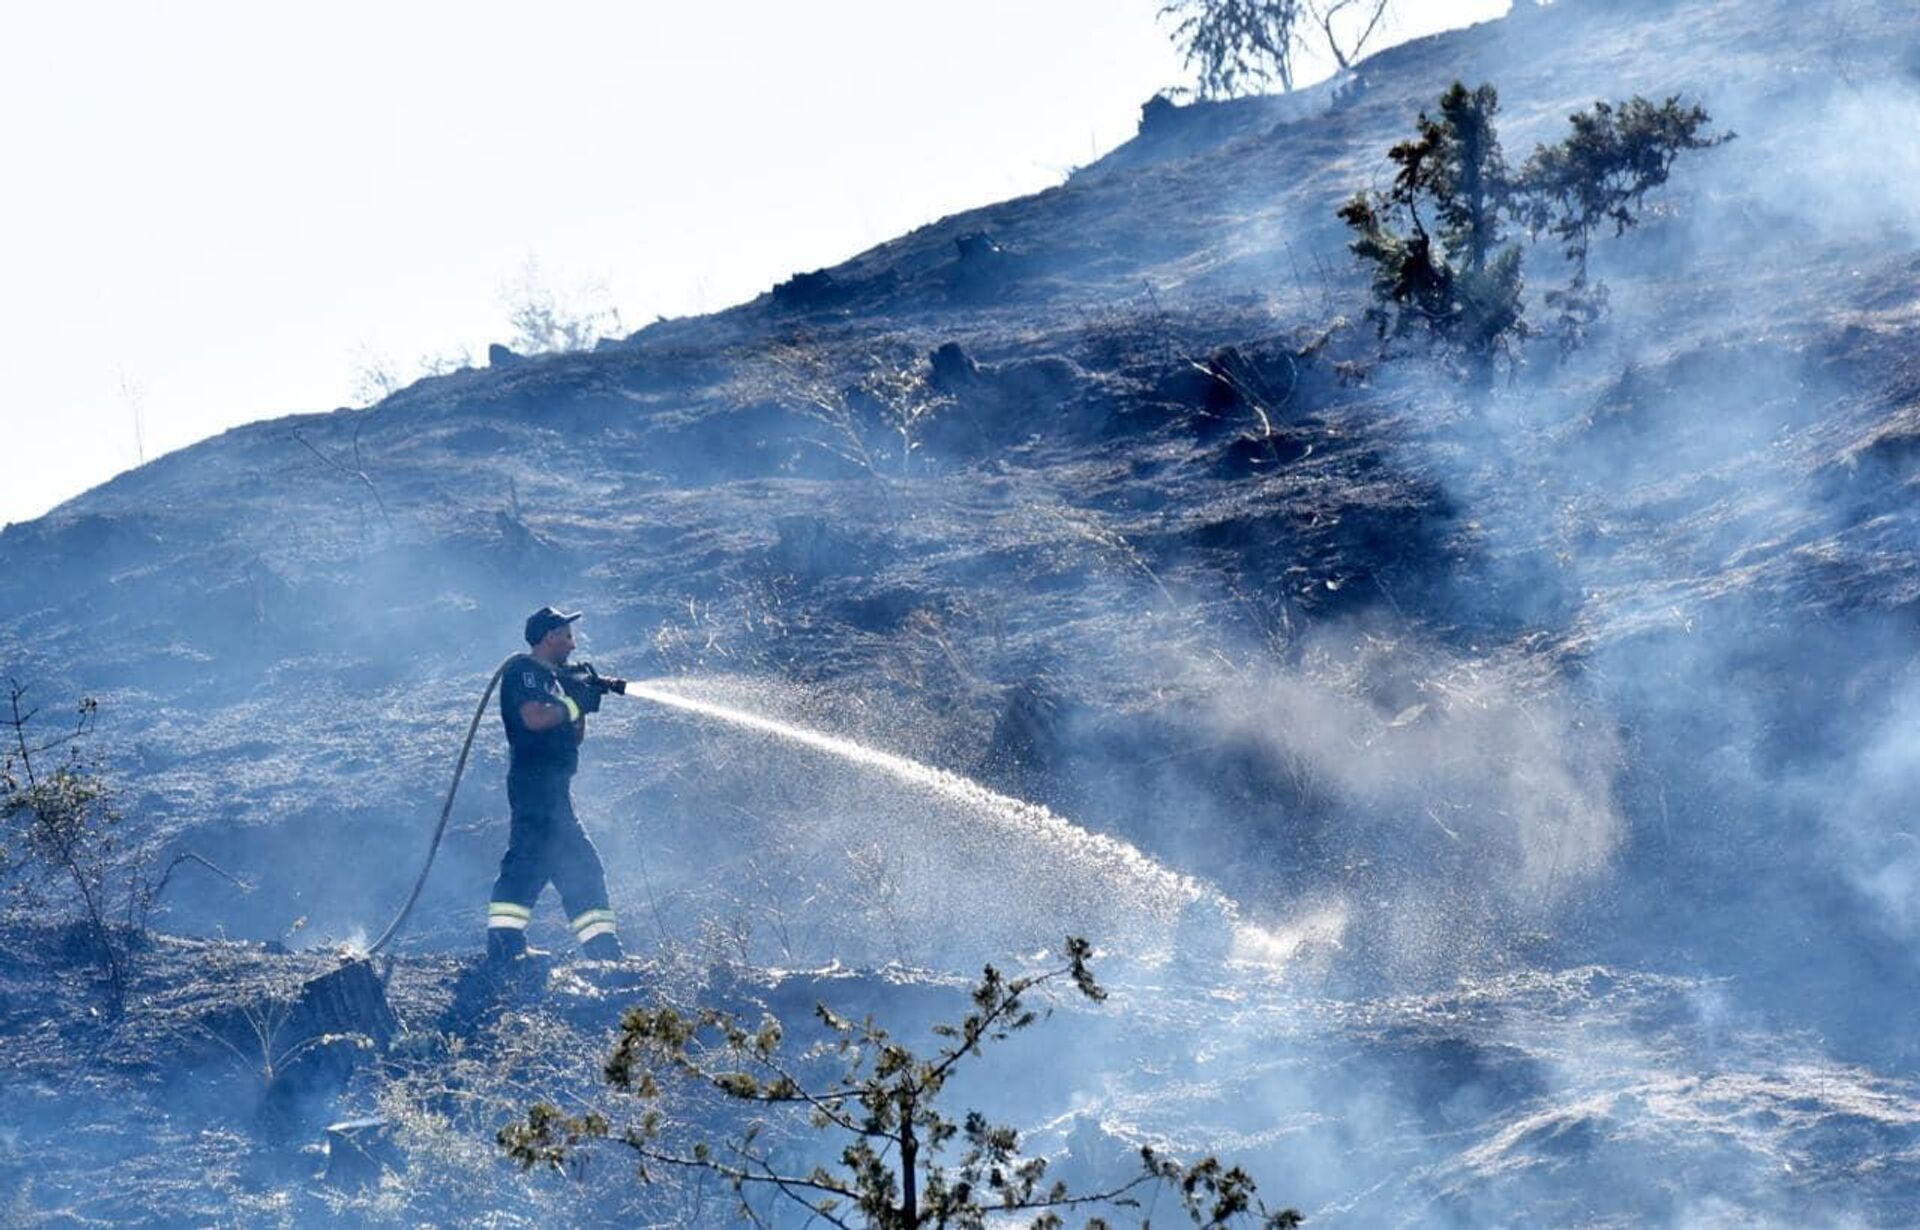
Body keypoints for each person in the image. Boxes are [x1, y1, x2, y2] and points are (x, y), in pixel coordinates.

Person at [486, 606, 628, 962]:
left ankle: (600, 951)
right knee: (538, 862)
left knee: (560, 864)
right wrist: (571, 702)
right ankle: (509, 948)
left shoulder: (554, 679)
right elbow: (533, 718)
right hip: (534, 786)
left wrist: (582, 702)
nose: (573, 644)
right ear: (549, 635)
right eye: (567, 635)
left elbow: (574, 737)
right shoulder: (523, 671)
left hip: (555, 788)